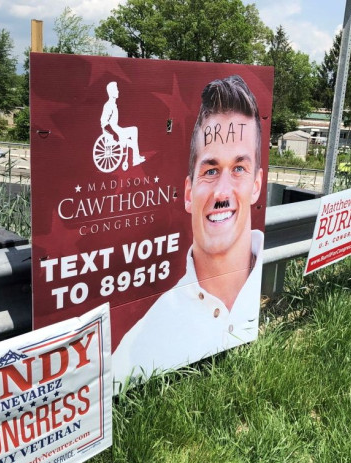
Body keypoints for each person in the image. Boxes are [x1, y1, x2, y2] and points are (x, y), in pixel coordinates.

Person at [113, 74, 264, 381]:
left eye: (238, 168)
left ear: (257, 185)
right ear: (187, 192)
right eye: (210, 170)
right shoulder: (136, 347)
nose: (222, 192)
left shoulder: (260, 295)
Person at [100, 81, 145, 167]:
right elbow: (104, 122)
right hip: (112, 131)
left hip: (116, 129)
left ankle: (136, 157)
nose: (118, 91)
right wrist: (114, 135)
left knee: (134, 131)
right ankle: (135, 158)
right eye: (116, 89)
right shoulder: (108, 105)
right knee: (133, 132)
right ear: (111, 92)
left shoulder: (113, 104)